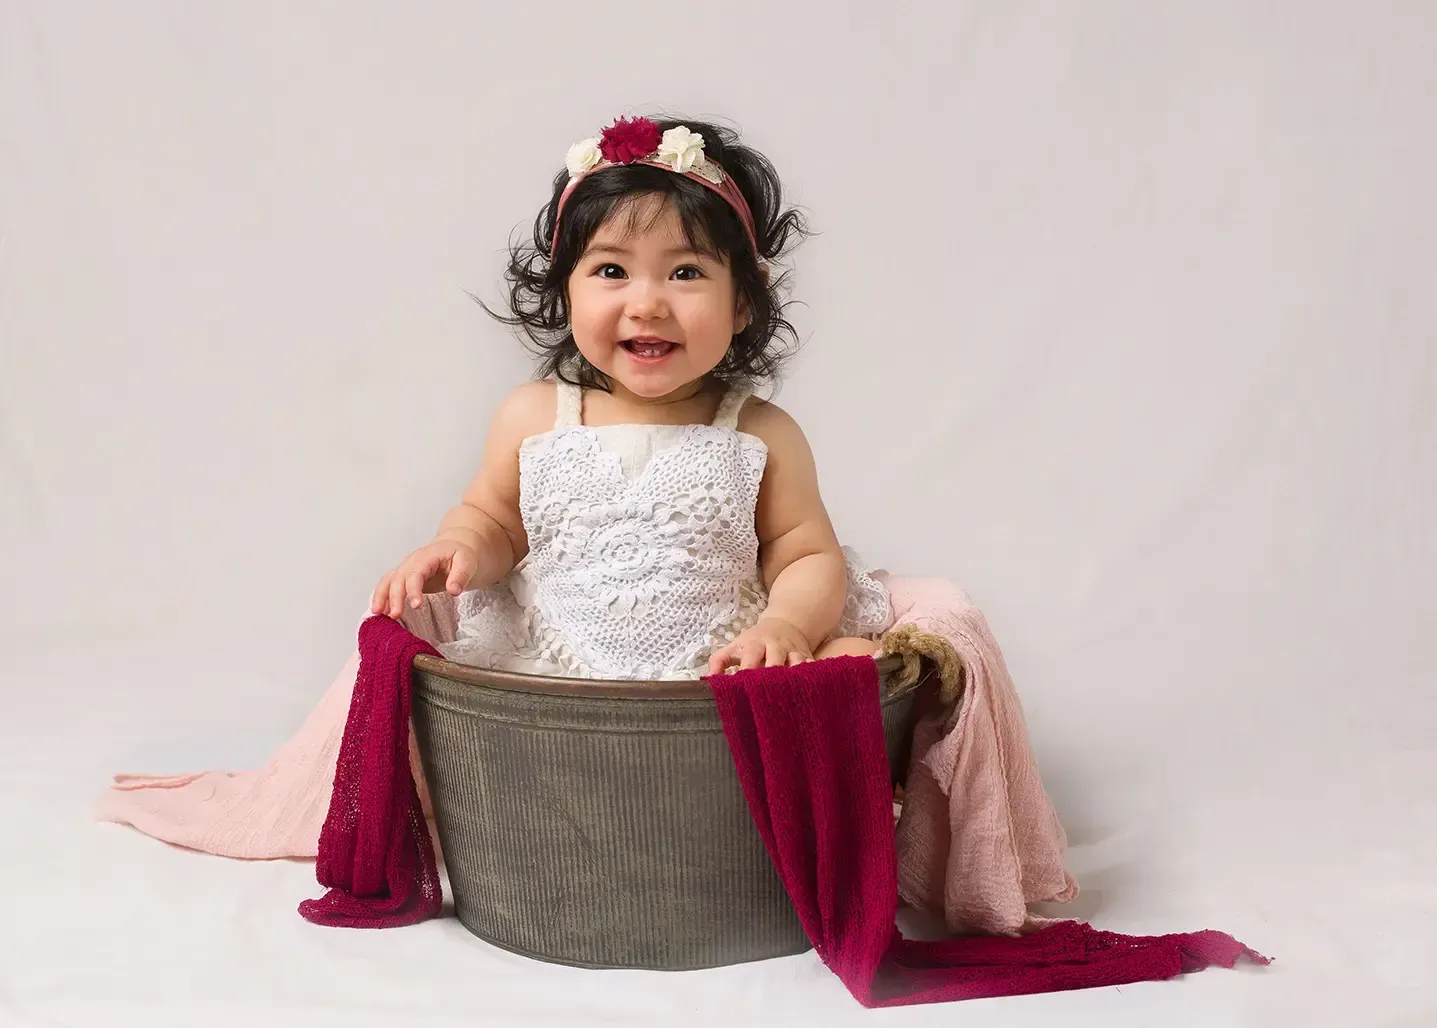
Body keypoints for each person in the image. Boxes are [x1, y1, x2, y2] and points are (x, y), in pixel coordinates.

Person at [370, 114, 893, 680]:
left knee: (855, 665)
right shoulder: (536, 416)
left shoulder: (760, 432)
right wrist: (461, 548)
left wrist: (785, 625)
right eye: (612, 269)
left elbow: (806, 555)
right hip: (557, 672)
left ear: (742, 303)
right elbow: (494, 520)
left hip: (719, 673)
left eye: (686, 272)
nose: (647, 305)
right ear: (566, 291)